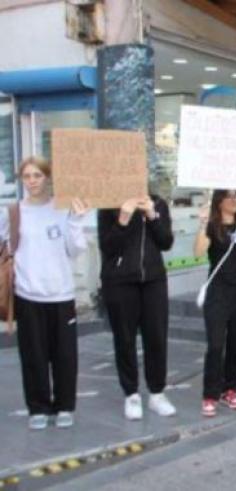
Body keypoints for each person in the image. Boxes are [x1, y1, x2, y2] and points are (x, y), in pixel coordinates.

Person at [3, 158, 88, 430]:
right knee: (33, 356)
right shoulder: (13, 213)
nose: (32, 180)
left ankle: (64, 406)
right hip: (27, 295)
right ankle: (37, 408)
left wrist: (75, 221)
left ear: (48, 178)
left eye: (37, 175)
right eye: (26, 176)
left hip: (61, 295)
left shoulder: (62, 209)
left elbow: (76, 250)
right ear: (21, 180)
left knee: (65, 356)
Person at [98, 194, 177, 421]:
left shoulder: (159, 202)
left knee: (156, 337)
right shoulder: (109, 205)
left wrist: (152, 215)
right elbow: (108, 246)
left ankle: (157, 393)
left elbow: (166, 242)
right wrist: (123, 218)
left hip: (153, 280)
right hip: (120, 281)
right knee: (124, 338)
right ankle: (131, 394)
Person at [194, 190, 236, 417]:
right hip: (217, 293)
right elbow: (198, 252)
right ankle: (210, 394)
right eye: (229, 196)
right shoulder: (212, 226)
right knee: (216, 345)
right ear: (219, 202)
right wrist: (201, 224)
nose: (235, 200)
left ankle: (230, 389)